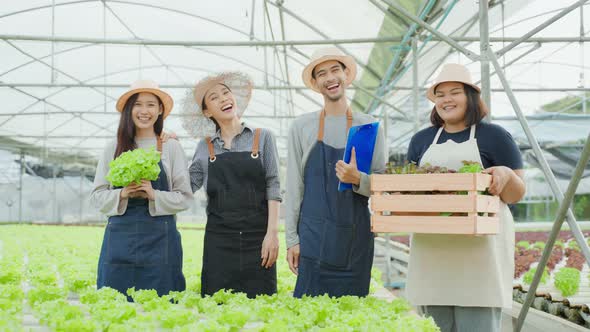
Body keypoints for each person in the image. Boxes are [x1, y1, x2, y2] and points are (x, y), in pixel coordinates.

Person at [405, 63, 525, 332]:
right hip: (432, 250)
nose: (447, 99)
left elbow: (517, 194)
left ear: (470, 97)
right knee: (434, 326)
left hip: (480, 255)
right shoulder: (421, 140)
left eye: (455, 92)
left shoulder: (495, 136)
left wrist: (505, 174)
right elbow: (410, 192)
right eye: (440, 94)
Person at [285, 47, 387, 297]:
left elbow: (384, 186)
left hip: (355, 240)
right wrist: (291, 240)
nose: (329, 78)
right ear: (316, 83)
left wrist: (358, 179)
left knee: (351, 315)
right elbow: (294, 186)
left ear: (345, 76)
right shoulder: (301, 127)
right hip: (313, 239)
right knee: (309, 315)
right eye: (321, 74)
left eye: (335, 70)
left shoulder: (369, 127)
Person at [90, 80, 193, 300]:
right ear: (129, 110)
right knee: (116, 305)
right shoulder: (113, 147)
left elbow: (184, 198)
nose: (144, 111)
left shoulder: (170, 147)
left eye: (151, 105)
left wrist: (154, 194)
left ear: (160, 110)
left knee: (162, 308)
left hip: (161, 242)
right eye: (138, 104)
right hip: (120, 241)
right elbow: (97, 197)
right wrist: (123, 193)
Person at [187, 72, 281, 299]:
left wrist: (272, 234)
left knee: (262, 308)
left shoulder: (262, 137)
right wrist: (165, 147)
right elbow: (187, 186)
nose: (224, 99)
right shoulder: (205, 146)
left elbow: (274, 185)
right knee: (216, 306)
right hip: (219, 242)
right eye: (214, 97)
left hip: (258, 240)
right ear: (207, 111)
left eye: (226, 92)